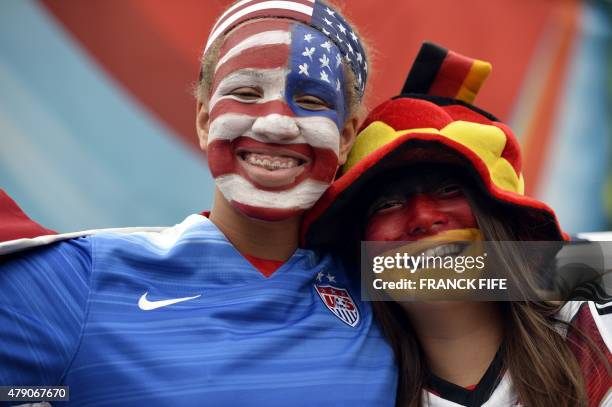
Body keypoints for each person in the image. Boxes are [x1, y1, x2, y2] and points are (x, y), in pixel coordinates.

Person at [0, 1, 397, 405]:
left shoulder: (389, 278)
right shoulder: (85, 276)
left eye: (312, 101)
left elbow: (462, 271)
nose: (275, 123)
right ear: (205, 120)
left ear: (346, 136)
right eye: (245, 93)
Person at [302, 43, 611, 406]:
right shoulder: (350, 377)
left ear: (500, 212)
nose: (422, 217)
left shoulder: (594, 295)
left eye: (449, 188)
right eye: (387, 203)